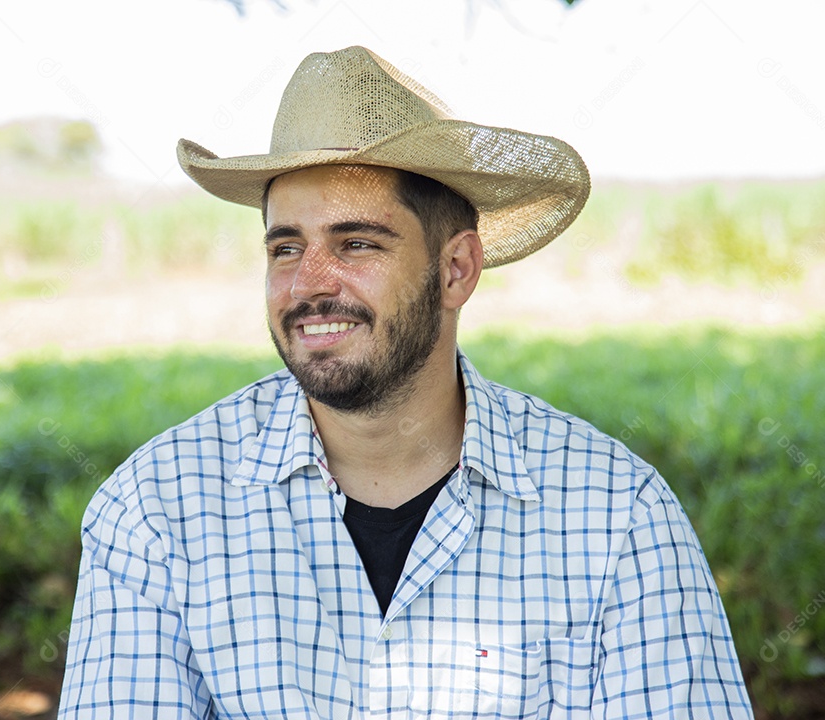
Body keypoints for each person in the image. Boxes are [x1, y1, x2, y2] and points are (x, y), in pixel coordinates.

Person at [58, 47, 753, 719]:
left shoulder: (614, 516)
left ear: (456, 269)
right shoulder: (158, 510)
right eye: (286, 247)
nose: (309, 284)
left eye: (357, 243)